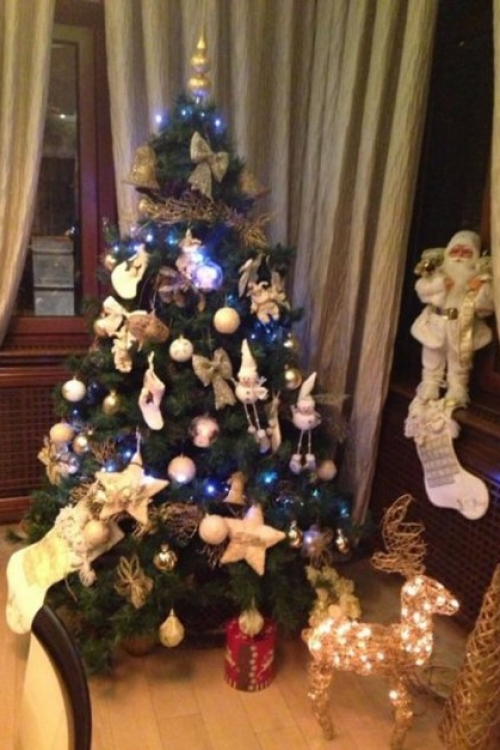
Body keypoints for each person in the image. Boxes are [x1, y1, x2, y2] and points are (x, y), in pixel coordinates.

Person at [411, 230, 494, 408]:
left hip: (463, 325)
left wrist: (479, 290)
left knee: (460, 360)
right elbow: (421, 289)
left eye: (466, 253)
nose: (459, 256)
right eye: (455, 251)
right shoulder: (438, 271)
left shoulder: (480, 276)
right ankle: (430, 384)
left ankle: (457, 388)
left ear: (475, 255)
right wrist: (440, 285)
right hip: (436, 322)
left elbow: (487, 307)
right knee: (432, 356)